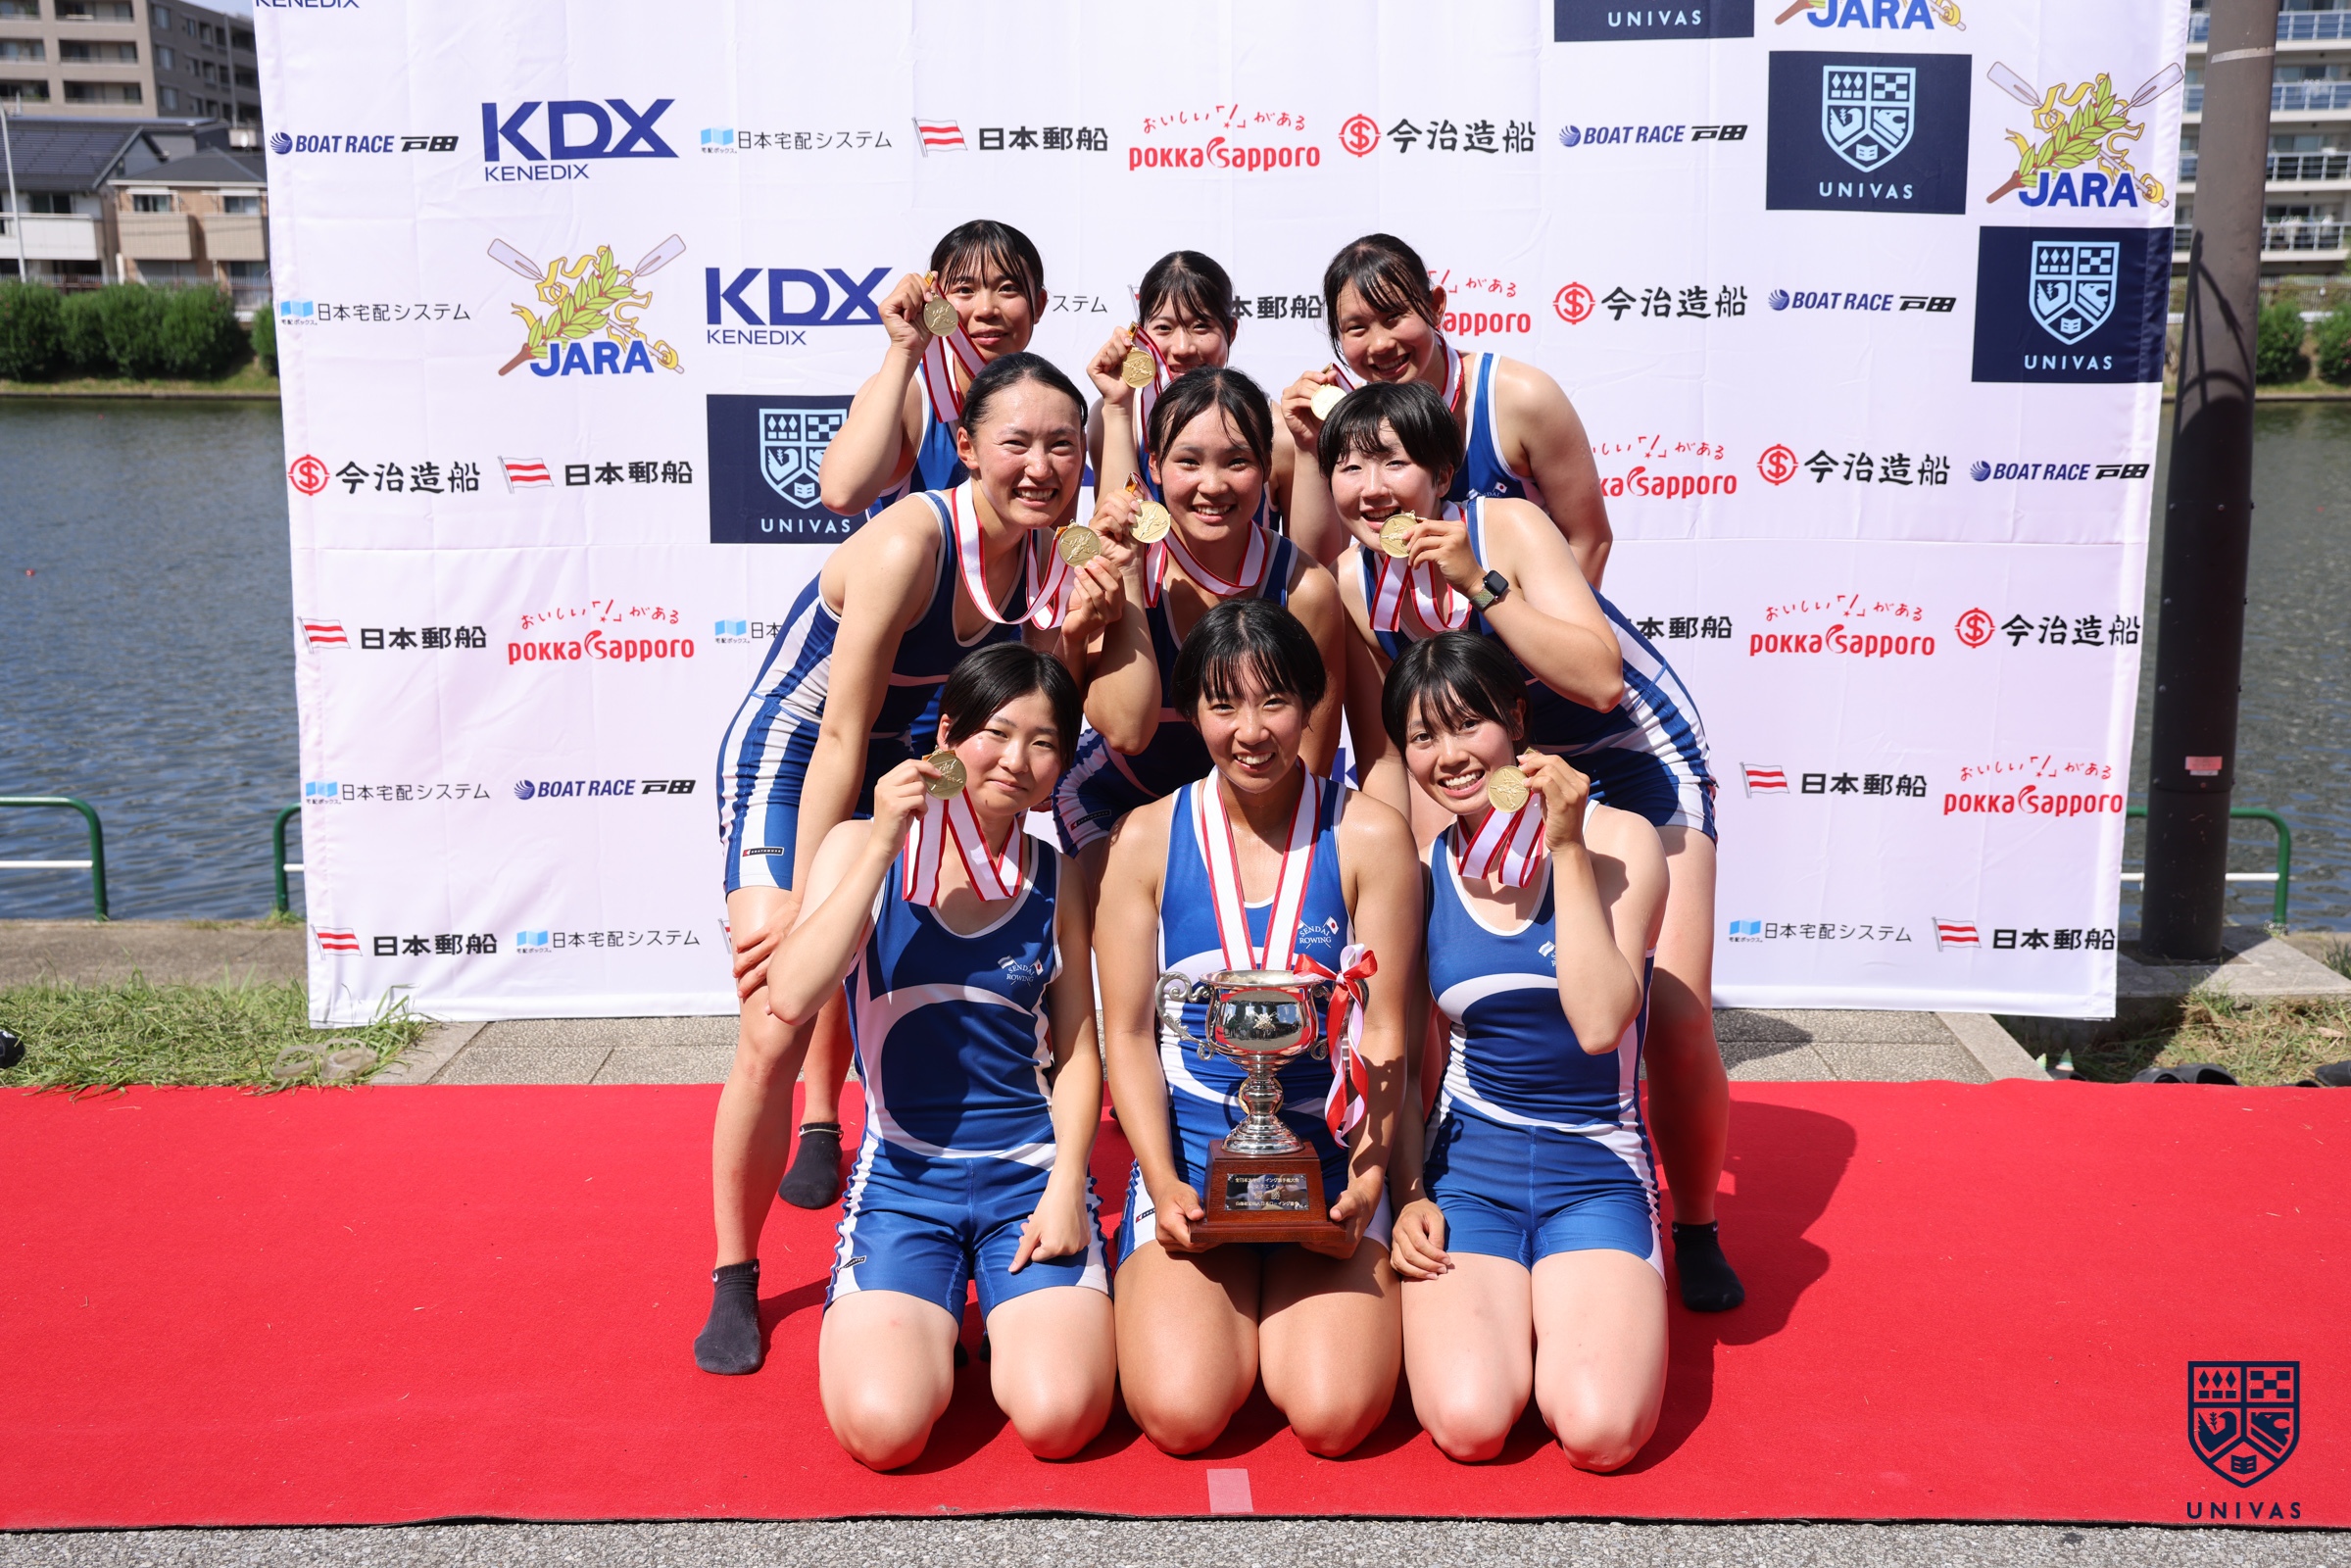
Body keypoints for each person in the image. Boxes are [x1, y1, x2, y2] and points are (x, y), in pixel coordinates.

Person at [700, 353, 1122, 1374]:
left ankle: (910, 1178)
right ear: (965, 446)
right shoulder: (908, 541)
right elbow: (840, 735)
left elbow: (1035, 706)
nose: (1039, 465)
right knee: (772, 1016)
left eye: (1061, 445)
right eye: (1015, 443)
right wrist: (805, 898)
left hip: (926, 756)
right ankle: (735, 1269)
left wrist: (1090, 628)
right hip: (803, 752)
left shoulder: (1051, 551)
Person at [1317, 380, 1743, 1314]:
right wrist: (1396, 868)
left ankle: (1695, 1223)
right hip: (1506, 769)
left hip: (1630, 760)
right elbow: (1402, 743)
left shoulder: (1503, 525)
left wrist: (1477, 579)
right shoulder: (1355, 579)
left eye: (1394, 463)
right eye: (1348, 467)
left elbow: (1597, 679)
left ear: (1440, 475)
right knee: (1438, 985)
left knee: (1669, 1010)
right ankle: (1449, 1176)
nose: (1371, 486)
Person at [760, 645, 1114, 1469]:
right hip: (903, 1183)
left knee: (1058, 1420)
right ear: (948, 734)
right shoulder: (860, 845)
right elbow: (792, 994)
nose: (1017, 760)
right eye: (998, 732)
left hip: (1027, 1180)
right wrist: (882, 843)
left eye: (1043, 743)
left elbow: (1077, 1051)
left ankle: (996, 1318)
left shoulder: (1056, 875)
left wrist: (1067, 1186)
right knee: (884, 1433)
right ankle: (935, 1318)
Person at [1094, 598, 1421, 1456]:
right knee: (1180, 1415)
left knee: (1333, 1417)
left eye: (1273, 701)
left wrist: (1370, 1178)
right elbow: (1126, 1034)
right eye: (1222, 704)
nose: (1249, 731)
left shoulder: (1370, 835)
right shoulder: (1145, 839)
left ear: (1311, 704)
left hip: (1331, 1174)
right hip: (1195, 1176)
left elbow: (1388, 1031)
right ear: (1191, 711)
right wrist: (1162, 1180)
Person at [1382, 632, 1669, 1470]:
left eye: (1466, 725)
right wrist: (1406, 1193)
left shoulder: (1620, 841)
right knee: (1469, 1424)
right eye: (1422, 737)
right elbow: (1408, 1055)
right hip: (1469, 1176)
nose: (1448, 756)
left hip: (1595, 1172)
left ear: (1514, 720)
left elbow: (1598, 1023)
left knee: (1599, 1431)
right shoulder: (1425, 869)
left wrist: (1566, 845)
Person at [1053, 367, 1346, 868]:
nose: (1212, 485)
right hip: (1116, 799)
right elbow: (1126, 732)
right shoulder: (1119, 565)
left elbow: (1312, 755)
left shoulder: (1306, 589)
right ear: (1154, 465)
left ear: (1266, 465)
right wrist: (1129, 577)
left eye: (1237, 461)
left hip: (1256, 811)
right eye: (1188, 461)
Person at [1278, 232, 1612, 577]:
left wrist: (1536, 614)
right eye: (1357, 328)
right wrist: (1309, 448)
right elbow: (1317, 573)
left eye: (1393, 317)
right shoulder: (1350, 422)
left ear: (1435, 306)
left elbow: (1589, 541)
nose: (1379, 344)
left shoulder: (1519, 398)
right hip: (1408, 613)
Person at [818, 219, 1049, 519]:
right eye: (964, 290)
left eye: (1007, 289)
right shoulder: (909, 396)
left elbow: (1053, 539)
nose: (986, 309)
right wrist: (903, 350)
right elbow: (841, 496)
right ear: (936, 301)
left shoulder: (1051, 404)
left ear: (1039, 304)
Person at [1083, 250, 1298, 524]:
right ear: (1140, 335)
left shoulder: (1278, 429)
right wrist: (1118, 409)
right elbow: (1114, 530)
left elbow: (1308, 548)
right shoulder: (1117, 414)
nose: (1182, 348)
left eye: (1201, 326)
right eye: (1163, 328)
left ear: (1231, 331)